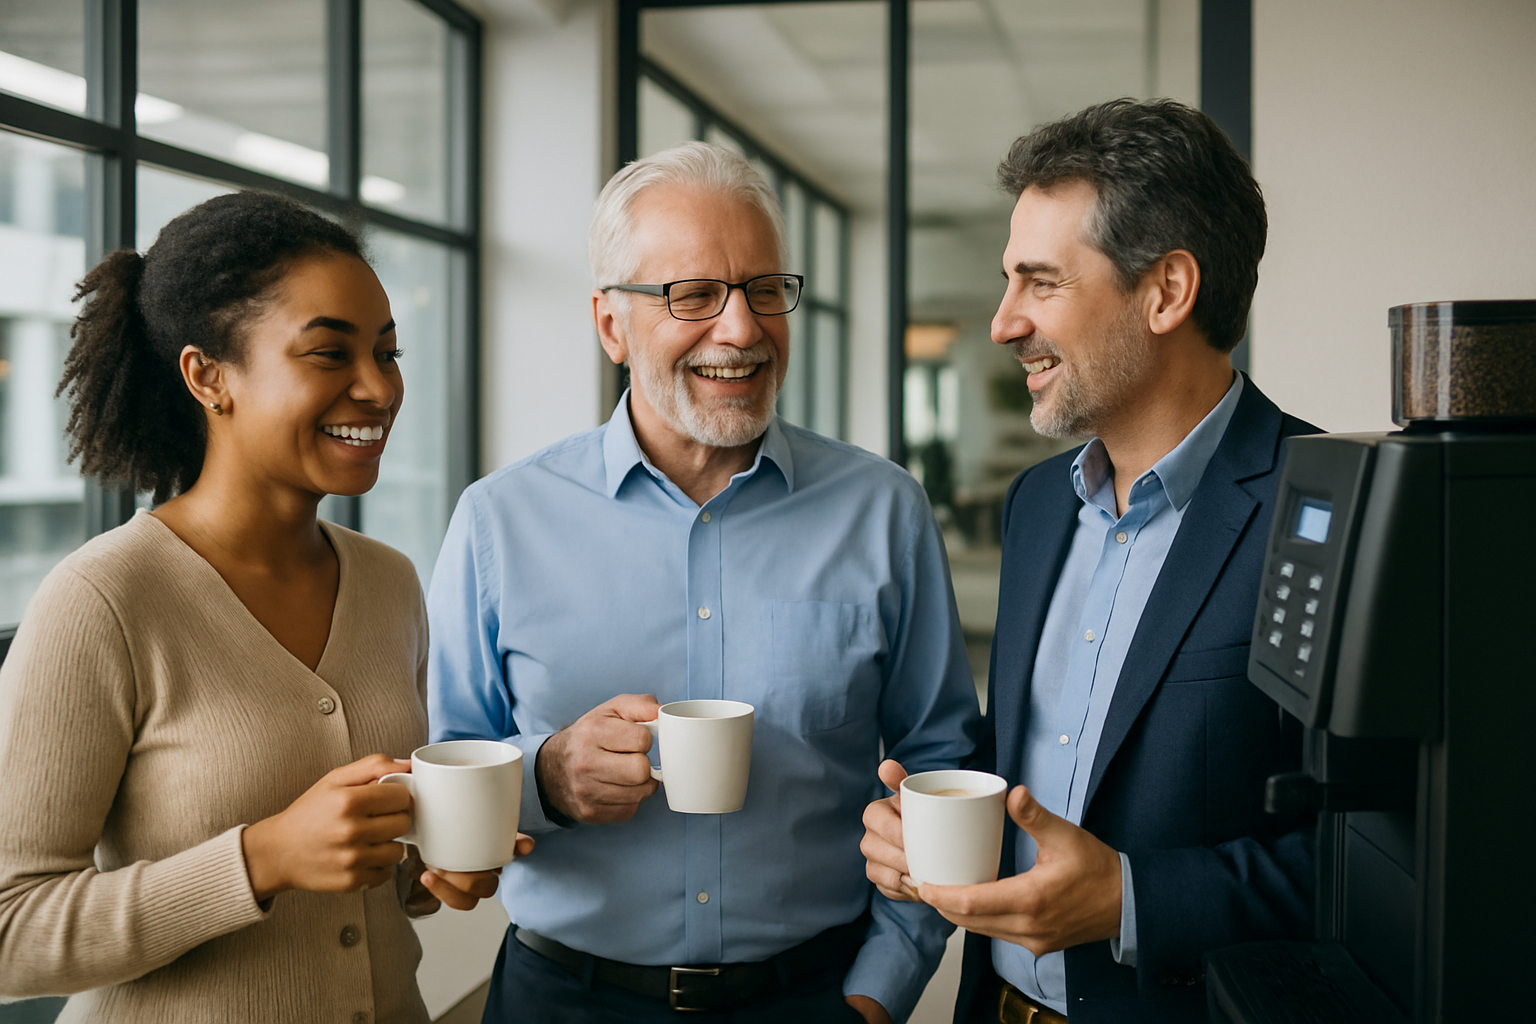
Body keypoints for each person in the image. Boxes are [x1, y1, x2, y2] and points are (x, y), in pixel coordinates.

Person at [427, 142, 979, 1024]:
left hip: (814, 996)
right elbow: (450, 767)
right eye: (693, 295)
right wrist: (549, 777)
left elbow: (943, 768)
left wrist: (878, 994)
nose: (742, 328)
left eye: (765, 289)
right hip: (562, 999)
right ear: (611, 324)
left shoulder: (884, 510)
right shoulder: (499, 521)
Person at [0, 191, 520, 1022]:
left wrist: (429, 872)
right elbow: (10, 930)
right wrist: (262, 858)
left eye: (388, 354)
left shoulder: (389, 582)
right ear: (208, 376)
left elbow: (373, 880)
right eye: (329, 354)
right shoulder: (104, 599)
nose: (378, 389)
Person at [859, 99, 1320, 1023]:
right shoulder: (1037, 506)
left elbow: (1397, 860)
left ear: (1166, 292)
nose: (1001, 322)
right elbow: (1047, 756)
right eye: (1007, 281)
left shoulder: (1320, 514)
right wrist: (938, 818)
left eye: (1040, 282)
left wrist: (1130, 897)